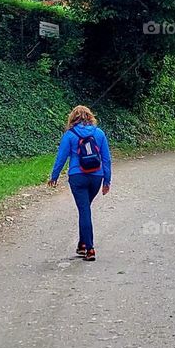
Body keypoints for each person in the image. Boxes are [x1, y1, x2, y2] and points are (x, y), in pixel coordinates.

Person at [48, 105, 112, 262]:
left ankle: (89, 249)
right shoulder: (99, 133)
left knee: (84, 210)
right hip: (96, 176)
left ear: (73, 118)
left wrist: (54, 176)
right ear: (90, 116)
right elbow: (106, 159)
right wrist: (107, 180)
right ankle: (82, 244)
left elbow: (61, 158)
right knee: (85, 209)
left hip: (78, 177)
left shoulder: (69, 135)